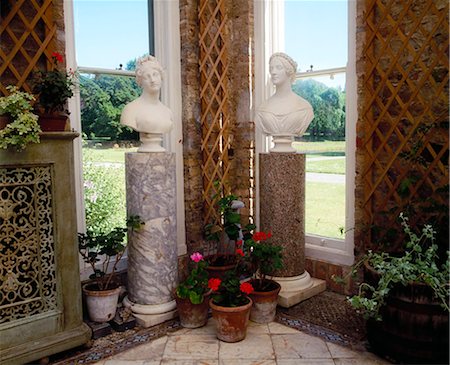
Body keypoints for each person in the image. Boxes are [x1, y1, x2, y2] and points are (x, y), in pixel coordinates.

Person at [256, 52, 314, 152]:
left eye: (278, 67)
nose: (273, 72)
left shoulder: (304, 107)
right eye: (271, 68)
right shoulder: (262, 109)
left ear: (289, 71)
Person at [120, 55, 173, 152]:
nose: (152, 80)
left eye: (155, 74)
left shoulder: (167, 112)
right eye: (147, 77)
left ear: (161, 77)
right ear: (140, 82)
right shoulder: (130, 110)